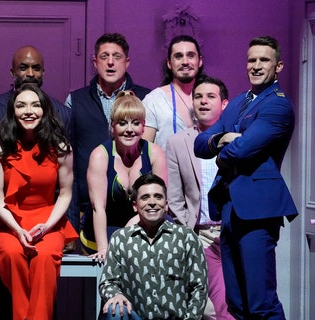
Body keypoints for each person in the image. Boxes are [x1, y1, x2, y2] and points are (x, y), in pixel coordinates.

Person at [194, 36, 298, 319]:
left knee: (261, 302)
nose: (256, 65)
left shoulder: (277, 106)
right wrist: (224, 138)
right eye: (252, 60)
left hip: (258, 211)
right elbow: (200, 143)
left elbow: (242, 150)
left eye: (264, 60)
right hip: (230, 209)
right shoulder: (240, 101)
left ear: (278, 66)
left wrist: (223, 151)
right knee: (236, 303)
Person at [0, 83, 78, 320]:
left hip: (47, 221)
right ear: (12, 112)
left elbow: (66, 193)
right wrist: (17, 230)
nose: (29, 111)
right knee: (11, 253)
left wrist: (47, 226)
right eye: (21, 105)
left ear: (45, 110)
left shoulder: (60, 148)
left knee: (44, 256)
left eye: (35, 105)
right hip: (9, 222)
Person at [66, 32, 151, 242]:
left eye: (117, 56)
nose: (110, 62)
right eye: (104, 57)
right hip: (89, 206)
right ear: (95, 62)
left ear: (127, 62)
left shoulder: (147, 98)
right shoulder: (75, 100)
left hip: (136, 208)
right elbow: (68, 158)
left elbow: (150, 148)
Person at [165, 75, 235, 320]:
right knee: (209, 309)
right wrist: (188, 232)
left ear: (224, 104)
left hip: (232, 232)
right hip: (200, 234)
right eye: (198, 96)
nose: (203, 101)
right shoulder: (177, 142)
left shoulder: (238, 140)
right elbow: (174, 197)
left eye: (210, 96)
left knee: (235, 303)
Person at [98, 173, 208, 320]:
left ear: (166, 204)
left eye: (158, 197)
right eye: (145, 197)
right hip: (135, 316)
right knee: (115, 309)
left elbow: (199, 287)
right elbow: (108, 281)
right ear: (135, 206)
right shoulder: (121, 238)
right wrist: (115, 295)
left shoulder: (186, 237)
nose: (152, 202)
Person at [81, 90, 167, 262]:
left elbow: (162, 202)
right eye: (122, 123)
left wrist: (132, 224)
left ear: (143, 127)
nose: (129, 130)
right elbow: (98, 208)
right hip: (103, 227)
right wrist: (104, 248)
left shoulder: (154, 153)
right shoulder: (100, 155)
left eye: (135, 123)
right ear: (112, 127)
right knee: (123, 248)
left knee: (166, 228)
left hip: (142, 222)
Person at [0, 45, 71, 137]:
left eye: (36, 68)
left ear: (43, 73)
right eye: (23, 68)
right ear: (12, 72)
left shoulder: (64, 113)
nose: (30, 74)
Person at [142, 34, 204, 150]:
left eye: (190, 56)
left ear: (199, 61)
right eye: (178, 56)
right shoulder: (154, 100)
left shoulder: (212, 98)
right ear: (169, 63)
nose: (185, 62)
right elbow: (144, 152)